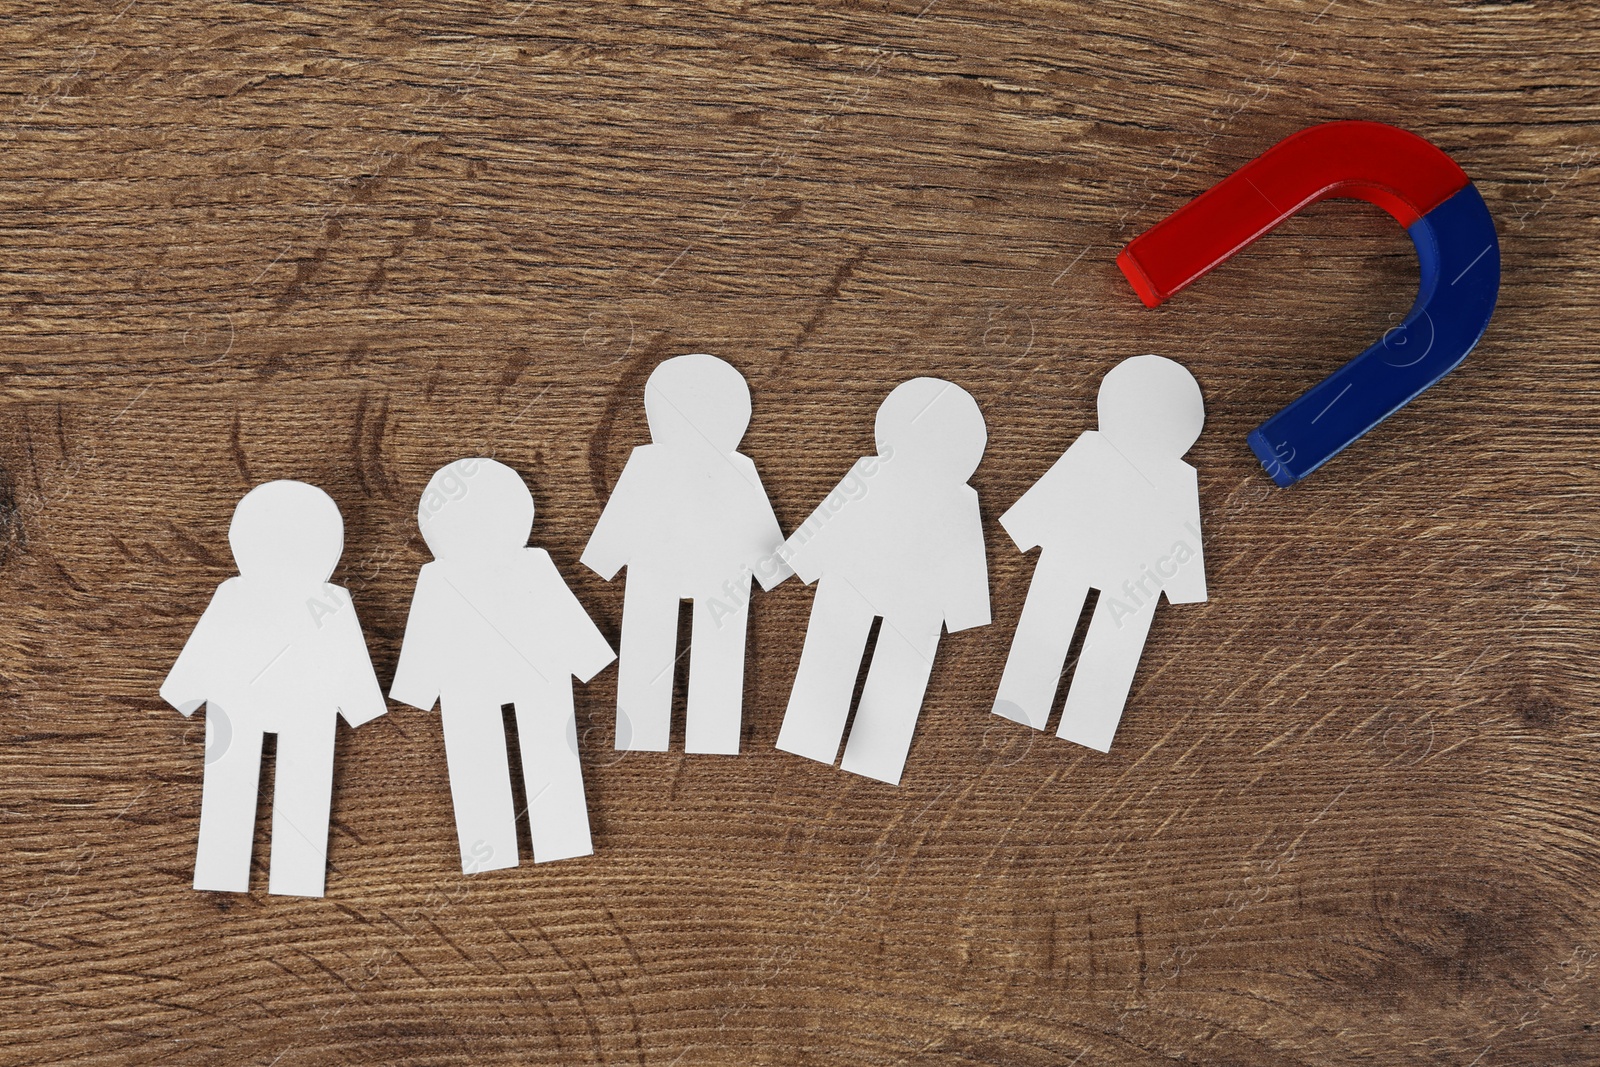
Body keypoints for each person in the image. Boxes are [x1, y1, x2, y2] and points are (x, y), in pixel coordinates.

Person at [161, 480, 387, 897]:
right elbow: (211, 639)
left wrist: (185, 694)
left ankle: (285, 873)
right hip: (277, 706)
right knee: (253, 780)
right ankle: (234, 869)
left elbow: (345, 650)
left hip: (269, 705)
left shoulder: (322, 598)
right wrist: (361, 706)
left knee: (289, 782)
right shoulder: (257, 594)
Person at [391, 458, 615, 871]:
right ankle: (512, 842)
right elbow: (427, 629)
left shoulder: (506, 567)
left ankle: (525, 841)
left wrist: (417, 689)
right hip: (520, 676)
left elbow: (426, 634)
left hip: (495, 680)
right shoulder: (448, 576)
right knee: (502, 755)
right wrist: (589, 660)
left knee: (496, 754)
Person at [775, 378, 990, 785]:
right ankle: (829, 740)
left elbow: (830, 523)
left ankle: (840, 743)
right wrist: (966, 611)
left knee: (863, 665)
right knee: (868, 665)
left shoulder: (898, 482)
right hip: (894, 600)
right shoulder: (941, 494)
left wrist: (798, 562)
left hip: (864, 589)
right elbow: (964, 560)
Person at [993, 354, 1206, 752]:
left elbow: (1048, 500)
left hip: (1085, 562)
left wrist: (1025, 529)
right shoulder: (1166, 471)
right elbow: (1182, 543)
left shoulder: (1113, 455)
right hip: (1124, 576)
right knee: (1092, 634)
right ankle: (1054, 711)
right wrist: (1182, 585)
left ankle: (1063, 714)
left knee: (1087, 635)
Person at [581, 354, 790, 755]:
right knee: (706, 644)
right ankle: (678, 730)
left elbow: (624, 513)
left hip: (667, 571)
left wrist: (605, 559)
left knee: (664, 639)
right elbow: (760, 535)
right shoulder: (730, 466)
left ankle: (667, 729)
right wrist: (771, 570)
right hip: (709, 574)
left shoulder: (675, 463)